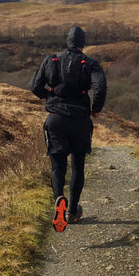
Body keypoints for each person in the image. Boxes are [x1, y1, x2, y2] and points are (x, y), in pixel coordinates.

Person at [29, 26, 107, 233]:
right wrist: (95, 109)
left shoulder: (51, 60)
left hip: (55, 119)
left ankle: (58, 199)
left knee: (58, 166)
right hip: (80, 120)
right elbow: (100, 88)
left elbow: (34, 86)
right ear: (83, 43)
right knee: (78, 166)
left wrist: (51, 98)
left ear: (68, 41)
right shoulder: (91, 64)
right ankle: (72, 211)